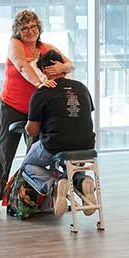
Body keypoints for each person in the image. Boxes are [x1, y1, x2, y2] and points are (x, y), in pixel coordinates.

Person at [0, 9, 74, 214]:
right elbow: (22, 66)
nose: (29, 31)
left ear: (39, 28)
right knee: (4, 151)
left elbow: (70, 64)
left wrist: (61, 68)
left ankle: (35, 198)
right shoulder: (15, 45)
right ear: (18, 31)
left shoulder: (46, 48)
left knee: (35, 155)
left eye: (33, 27)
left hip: (37, 109)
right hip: (12, 105)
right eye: (24, 28)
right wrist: (41, 82)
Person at [22, 50, 98, 217]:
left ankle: (55, 185)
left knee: (28, 166)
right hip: (87, 145)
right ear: (61, 68)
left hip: (56, 145)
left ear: (43, 71)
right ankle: (83, 181)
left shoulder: (42, 93)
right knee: (72, 160)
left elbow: (32, 130)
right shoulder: (82, 88)